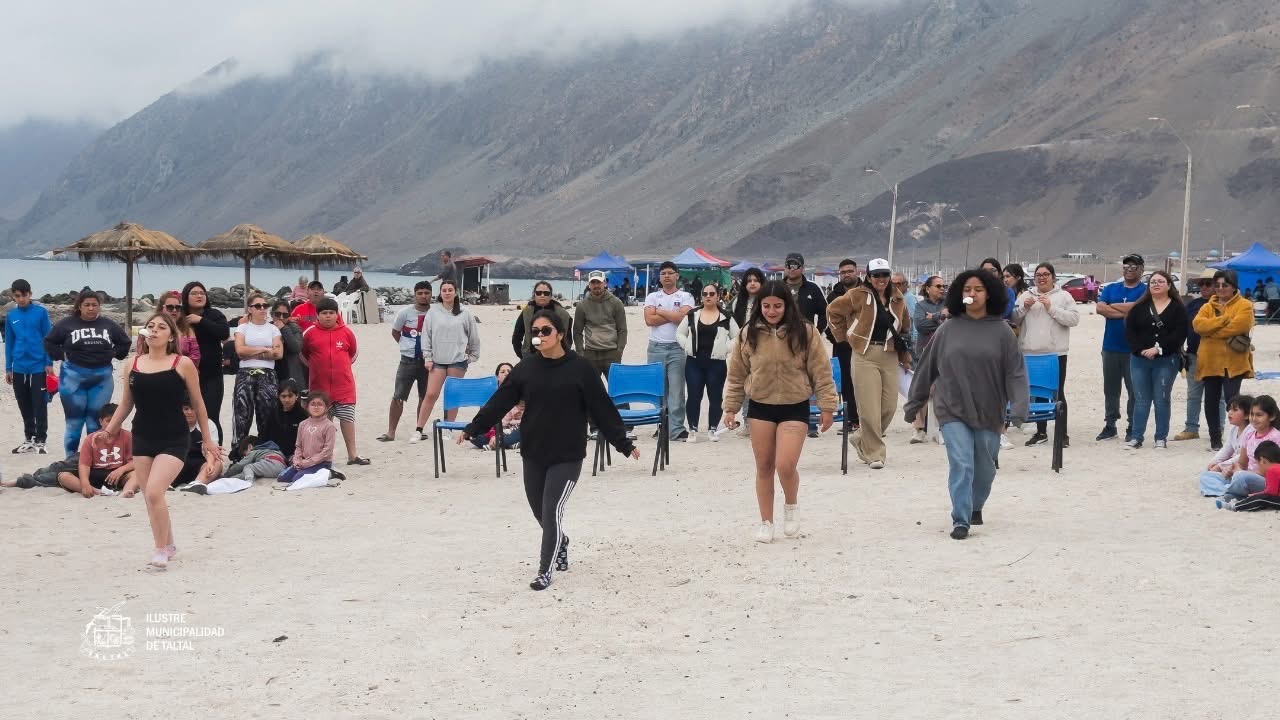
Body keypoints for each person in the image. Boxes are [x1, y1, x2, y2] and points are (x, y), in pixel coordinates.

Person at [458, 309, 640, 591]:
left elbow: (602, 408)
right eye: (535, 332)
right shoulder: (526, 368)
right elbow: (500, 401)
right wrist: (474, 427)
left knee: (552, 508)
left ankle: (545, 570)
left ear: (560, 335)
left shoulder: (581, 368)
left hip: (568, 454)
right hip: (534, 452)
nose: (539, 336)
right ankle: (561, 541)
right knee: (539, 512)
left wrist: (623, 443)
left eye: (545, 331)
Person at [905, 269, 1029, 540]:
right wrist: (914, 403)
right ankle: (960, 519)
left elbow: (1016, 373)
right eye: (967, 289)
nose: (972, 294)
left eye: (979, 289)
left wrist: (1020, 407)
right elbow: (927, 367)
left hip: (989, 409)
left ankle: (975, 506)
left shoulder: (1002, 332)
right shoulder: (947, 329)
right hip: (952, 406)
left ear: (990, 294)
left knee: (984, 468)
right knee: (961, 463)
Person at [98, 311, 219, 569]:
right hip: (143, 436)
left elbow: (198, 403)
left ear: (171, 336)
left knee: (154, 491)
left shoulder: (182, 363)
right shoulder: (133, 364)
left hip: (174, 437)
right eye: (150, 326)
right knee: (150, 498)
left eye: (161, 327)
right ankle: (169, 543)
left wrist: (208, 440)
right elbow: (126, 404)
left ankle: (160, 549)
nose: (154, 330)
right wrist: (109, 432)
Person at [722, 281, 836, 543]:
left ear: (787, 306)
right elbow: (737, 373)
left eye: (777, 306)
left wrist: (827, 406)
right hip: (760, 406)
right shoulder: (748, 333)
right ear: (759, 306)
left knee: (785, 465)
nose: (771, 311)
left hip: (795, 405)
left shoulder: (805, 332)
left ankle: (791, 505)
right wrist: (731, 408)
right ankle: (766, 521)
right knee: (764, 466)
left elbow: (821, 371)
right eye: (766, 306)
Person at [826, 258, 911, 470]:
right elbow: (833, 311)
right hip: (864, 354)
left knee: (889, 407)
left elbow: (905, 326)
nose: (881, 279)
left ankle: (860, 437)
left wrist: (904, 352)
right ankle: (874, 454)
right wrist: (844, 336)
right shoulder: (857, 295)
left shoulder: (897, 297)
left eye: (885, 274)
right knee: (869, 407)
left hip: (889, 353)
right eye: (876, 275)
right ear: (869, 277)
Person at [44, 288, 131, 457]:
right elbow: (49, 342)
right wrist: (61, 355)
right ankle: (70, 458)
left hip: (101, 379)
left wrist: (114, 353)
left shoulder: (108, 324)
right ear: (79, 306)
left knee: (95, 423)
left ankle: (93, 459)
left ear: (99, 306)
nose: (91, 308)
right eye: (87, 305)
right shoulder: (66, 324)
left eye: (94, 305)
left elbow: (124, 342)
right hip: (72, 379)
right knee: (74, 423)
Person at [1011, 263, 1080, 447]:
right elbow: (1013, 319)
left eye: (1046, 274)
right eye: (1038, 275)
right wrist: (1024, 308)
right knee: (1036, 393)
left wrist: (1051, 308)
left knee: (1058, 393)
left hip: (1055, 354)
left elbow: (1074, 319)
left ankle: (1062, 434)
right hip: (1029, 354)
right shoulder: (1025, 295)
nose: (1042, 278)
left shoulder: (1064, 296)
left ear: (1053, 277)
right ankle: (1041, 432)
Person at [1123, 270, 1188, 450]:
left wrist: (1158, 349)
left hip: (1166, 359)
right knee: (1141, 399)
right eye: (1153, 282)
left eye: (1160, 281)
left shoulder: (1177, 308)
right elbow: (1130, 332)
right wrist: (1140, 350)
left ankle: (1161, 438)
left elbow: (1180, 333)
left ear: (1169, 285)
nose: (1156, 284)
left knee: (1162, 399)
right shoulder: (1139, 307)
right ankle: (1136, 437)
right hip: (1139, 359)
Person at [409, 280, 481, 442]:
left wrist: (472, 357)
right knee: (431, 394)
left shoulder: (465, 313)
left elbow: (473, 337)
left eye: (450, 290)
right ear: (440, 293)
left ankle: (449, 427)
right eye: (444, 290)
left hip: (457, 361)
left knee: (452, 396)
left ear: (456, 292)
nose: (447, 293)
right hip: (437, 361)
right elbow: (426, 335)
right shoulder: (433, 312)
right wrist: (428, 357)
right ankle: (419, 429)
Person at [1193, 268, 1255, 451]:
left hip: (1233, 362)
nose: (1220, 288)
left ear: (1234, 286)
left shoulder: (1244, 305)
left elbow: (1239, 326)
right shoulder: (1207, 306)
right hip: (1210, 361)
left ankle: (1241, 438)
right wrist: (1224, 319)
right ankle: (1215, 439)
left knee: (1234, 402)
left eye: (1225, 285)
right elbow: (1198, 326)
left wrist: (1210, 331)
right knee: (1210, 401)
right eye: (1217, 285)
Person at [302, 297, 369, 465]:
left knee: (347, 419)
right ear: (318, 315)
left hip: (344, 386)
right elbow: (302, 355)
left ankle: (352, 455)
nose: (328, 316)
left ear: (337, 314)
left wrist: (341, 366)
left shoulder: (347, 332)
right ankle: (322, 457)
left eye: (331, 313)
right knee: (322, 423)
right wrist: (316, 367)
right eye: (324, 313)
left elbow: (353, 354)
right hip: (319, 388)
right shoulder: (309, 333)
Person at [1095, 253, 1147, 442]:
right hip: (1110, 347)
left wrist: (1114, 308)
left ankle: (1132, 426)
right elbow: (1100, 308)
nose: (1129, 270)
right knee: (1110, 389)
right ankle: (1110, 424)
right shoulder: (1111, 288)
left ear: (1141, 269)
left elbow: (1140, 309)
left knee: (1134, 390)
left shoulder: (1146, 290)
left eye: (1133, 266)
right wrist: (1127, 311)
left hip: (1134, 349)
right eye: (1126, 266)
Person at [677, 282, 738, 443]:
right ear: (701, 297)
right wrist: (686, 346)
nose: (708, 297)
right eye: (705, 294)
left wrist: (726, 349)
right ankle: (692, 429)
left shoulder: (726, 316)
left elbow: (737, 337)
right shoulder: (692, 314)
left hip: (716, 363)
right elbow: (679, 333)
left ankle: (712, 429)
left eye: (712, 294)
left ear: (718, 296)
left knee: (715, 397)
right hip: (694, 362)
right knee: (693, 396)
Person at [645, 261, 697, 442]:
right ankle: (662, 426)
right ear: (659, 277)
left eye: (670, 273)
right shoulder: (652, 296)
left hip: (677, 348)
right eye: (663, 273)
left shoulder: (686, 296)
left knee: (676, 390)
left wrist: (660, 311)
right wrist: (672, 315)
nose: (666, 276)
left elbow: (683, 319)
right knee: (659, 390)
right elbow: (649, 320)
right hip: (656, 347)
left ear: (677, 275)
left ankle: (676, 428)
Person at [379, 281, 432, 442]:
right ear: (415, 295)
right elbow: (395, 332)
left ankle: (419, 430)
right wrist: (406, 347)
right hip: (407, 361)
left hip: (428, 362)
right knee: (398, 396)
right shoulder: (404, 313)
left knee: (425, 396)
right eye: (420, 293)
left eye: (426, 293)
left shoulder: (435, 313)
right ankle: (391, 432)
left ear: (431, 294)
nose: (423, 296)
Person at [5, 278, 52, 454]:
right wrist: (8, 368)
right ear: (13, 296)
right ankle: (29, 438)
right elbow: (9, 342)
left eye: (24, 295)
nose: (21, 299)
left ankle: (41, 439)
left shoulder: (41, 313)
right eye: (17, 296)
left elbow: (48, 338)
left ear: (30, 294)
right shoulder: (11, 316)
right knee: (23, 403)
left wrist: (49, 362)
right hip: (18, 366)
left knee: (39, 402)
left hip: (38, 366)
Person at [181, 281, 231, 445]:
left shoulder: (214, 314)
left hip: (212, 376)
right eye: (194, 293)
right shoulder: (181, 316)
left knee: (211, 416)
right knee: (184, 416)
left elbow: (224, 333)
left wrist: (200, 320)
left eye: (202, 293)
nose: (199, 296)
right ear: (186, 297)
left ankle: (216, 451)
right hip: (185, 376)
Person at [232, 293, 283, 447]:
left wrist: (251, 351)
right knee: (242, 416)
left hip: (267, 374)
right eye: (258, 306)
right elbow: (240, 351)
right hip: (245, 374)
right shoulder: (243, 328)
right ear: (250, 309)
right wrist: (264, 349)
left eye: (265, 306)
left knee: (267, 416)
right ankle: (239, 452)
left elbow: (278, 353)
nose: (262, 309)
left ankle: (266, 451)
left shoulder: (273, 329)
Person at [57, 403, 137, 497]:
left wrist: (120, 470)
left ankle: (126, 491)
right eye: (108, 421)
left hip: (117, 476)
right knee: (63, 477)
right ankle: (97, 491)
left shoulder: (128, 437)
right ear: (101, 421)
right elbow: (84, 465)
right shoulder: (90, 439)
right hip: (96, 475)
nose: (112, 424)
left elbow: (135, 462)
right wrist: (85, 484)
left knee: (137, 474)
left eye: (116, 421)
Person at [1176, 270, 1220, 441]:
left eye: (1208, 283)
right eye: (1201, 284)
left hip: (1217, 357)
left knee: (1218, 396)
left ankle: (1218, 429)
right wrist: (1181, 348)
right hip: (1194, 355)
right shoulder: (1193, 305)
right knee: (1193, 394)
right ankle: (1191, 428)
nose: (1203, 287)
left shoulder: (1225, 305)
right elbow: (1182, 326)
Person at [1215, 395, 1280, 507]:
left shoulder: (1276, 437)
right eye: (1252, 414)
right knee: (1207, 476)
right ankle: (1234, 492)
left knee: (1240, 478)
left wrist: (1240, 473)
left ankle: (1231, 492)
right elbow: (1242, 463)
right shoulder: (1249, 434)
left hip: (1268, 481)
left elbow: (1274, 470)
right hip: (1247, 477)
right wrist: (1232, 469)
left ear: (1272, 416)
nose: (1254, 418)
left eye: (1259, 415)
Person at [908, 275, 948, 443]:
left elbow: (952, 322)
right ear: (928, 288)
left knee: (943, 389)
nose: (942, 288)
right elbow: (920, 325)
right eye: (938, 286)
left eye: (944, 286)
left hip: (946, 352)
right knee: (920, 389)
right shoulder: (920, 305)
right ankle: (919, 429)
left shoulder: (949, 303)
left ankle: (942, 428)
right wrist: (941, 317)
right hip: (924, 352)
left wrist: (933, 317)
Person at [573, 271, 629, 383]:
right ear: (589, 285)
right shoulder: (582, 306)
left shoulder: (616, 303)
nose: (596, 285)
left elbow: (622, 329)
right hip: (590, 354)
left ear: (605, 283)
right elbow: (577, 332)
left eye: (599, 282)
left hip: (612, 353)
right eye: (593, 282)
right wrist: (580, 352)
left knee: (617, 389)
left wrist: (619, 350)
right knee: (589, 390)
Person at [825, 260, 862, 430]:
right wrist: (837, 339)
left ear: (857, 272)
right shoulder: (833, 296)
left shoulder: (867, 292)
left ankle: (868, 421)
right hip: (842, 346)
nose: (847, 274)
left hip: (864, 345)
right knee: (846, 383)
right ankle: (851, 419)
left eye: (850, 271)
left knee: (865, 383)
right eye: (843, 272)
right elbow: (829, 320)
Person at [278, 391, 338, 485]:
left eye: (320, 404)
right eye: (313, 404)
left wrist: (309, 462)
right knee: (282, 478)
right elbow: (298, 446)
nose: (316, 407)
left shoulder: (329, 426)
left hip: (322, 462)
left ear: (326, 408)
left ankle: (330, 473)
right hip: (304, 460)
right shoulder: (303, 424)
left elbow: (327, 451)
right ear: (307, 407)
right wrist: (297, 460)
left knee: (297, 478)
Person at [1198, 394, 1252, 497]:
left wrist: (1220, 466)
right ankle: (1226, 491)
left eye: (1235, 410)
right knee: (1206, 475)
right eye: (1229, 409)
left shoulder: (1251, 431)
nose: (1230, 412)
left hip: (1244, 470)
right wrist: (1214, 462)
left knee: (1237, 478)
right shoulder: (1234, 429)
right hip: (1231, 469)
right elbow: (1227, 449)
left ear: (1246, 415)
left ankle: (1227, 492)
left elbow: (1241, 457)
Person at [469, 363, 523, 450]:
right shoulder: (493, 395)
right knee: (473, 436)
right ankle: (506, 443)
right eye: (502, 372)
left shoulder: (520, 391)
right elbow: (487, 417)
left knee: (520, 430)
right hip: (498, 427)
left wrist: (520, 414)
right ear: (497, 377)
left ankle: (499, 442)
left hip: (515, 426)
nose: (506, 373)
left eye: (509, 371)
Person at [512, 281, 573, 358]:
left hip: (554, 356)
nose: (542, 295)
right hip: (530, 355)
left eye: (546, 293)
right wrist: (522, 356)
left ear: (550, 295)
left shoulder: (562, 313)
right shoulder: (527, 312)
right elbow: (517, 337)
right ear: (534, 295)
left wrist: (562, 356)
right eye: (539, 293)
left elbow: (567, 338)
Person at [175, 403, 224, 492]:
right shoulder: (174, 424)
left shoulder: (208, 424)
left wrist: (210, 463)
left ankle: (197, 483)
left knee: (217, 463)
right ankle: (167, 484)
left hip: (199, 464)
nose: (189, 412)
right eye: (186, 409)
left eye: (193, 409)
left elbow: (212, 450)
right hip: (177, 463)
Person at [1222, 440, 1280, 512]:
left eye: (1257, 464)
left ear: (1263, 461)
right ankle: (1237, 501)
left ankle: (1235, 507)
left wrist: (1257, 494)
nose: (1258, 468)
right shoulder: (1276, 468)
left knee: (1260, 499)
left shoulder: (1272, 470)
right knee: (1260, 498)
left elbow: (1271, 493)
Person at [263, 379, 307, 463]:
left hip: (295, 457)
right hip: (274, 454)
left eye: (290, 396)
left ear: (296, 396)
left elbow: (307, 442)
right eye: (283, 396)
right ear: (278, 396)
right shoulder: (273, 413)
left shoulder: (303, 415)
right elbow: (264, 435)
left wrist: (298, 456)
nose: (287, 400)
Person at [270, 300, 306, 387]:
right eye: (278, 314)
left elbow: (296, 347)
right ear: (272, 314)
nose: (281, 317)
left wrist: (284, 328)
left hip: (290, 372)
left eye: (285, 315)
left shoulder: (294, 328)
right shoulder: (267, 328)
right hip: (272, 371)